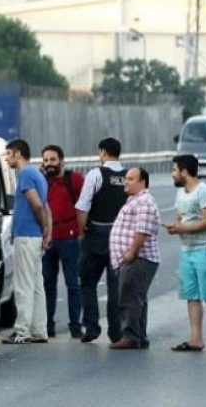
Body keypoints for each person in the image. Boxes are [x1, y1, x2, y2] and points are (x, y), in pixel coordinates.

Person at [165, 155, 206, 351]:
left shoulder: (204, 192)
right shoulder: (180, 193)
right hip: (186, 251)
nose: (173, 174)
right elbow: (180, 217)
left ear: (184, 172)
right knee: (191, 296)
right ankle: (196, 339)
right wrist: (175, 227)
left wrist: (183, 229)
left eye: (175, 170)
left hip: (203, 249)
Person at [75, 138, 127, 343]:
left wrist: (82, 232)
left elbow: (82, 207)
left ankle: (92, 327)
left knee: (87, 283)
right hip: (121, 237)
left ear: (103, 152)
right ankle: (116, 332)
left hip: (97, 235)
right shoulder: (129, 176)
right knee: (116, 287)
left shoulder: (96, 174)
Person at [1, 139, 51, 345]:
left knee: (23, 285)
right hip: (35, 236)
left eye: (9, 154)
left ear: (18, 154)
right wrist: (46, 231)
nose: (7, 158)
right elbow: (46, 207)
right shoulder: (37, 174)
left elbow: (37, 205)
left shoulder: (26, 175)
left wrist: (43, 227)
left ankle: (22, 331)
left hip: (27, 235)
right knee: (37, 285)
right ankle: (39, 329)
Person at [108, 168, 161, 349]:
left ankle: (130, 336)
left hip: (138, 259)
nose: (126, 182)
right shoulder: (134, 200)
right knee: (136, 297)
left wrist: (132, 252)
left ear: (142, 182)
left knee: (130, 298)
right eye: (125, 179)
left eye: (131, 179)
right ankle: (139, 335)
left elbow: (142, 230)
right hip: (134, 259)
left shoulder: (144, 202)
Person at [40, 145, 84, 338]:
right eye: (46, 160)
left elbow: (85, 205)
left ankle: (75, 324)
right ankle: (48, 324)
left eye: (53, 159)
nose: (49, 163)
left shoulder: (73, 180)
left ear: (61, 160)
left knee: (73, 283)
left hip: (69, 237)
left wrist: (81, 232)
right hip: (48, 238)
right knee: (47, 283)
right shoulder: (41, 181)